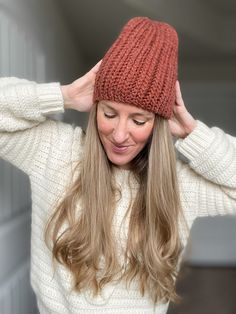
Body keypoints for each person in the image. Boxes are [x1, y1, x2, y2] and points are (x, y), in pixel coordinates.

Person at [0, 16, 236, 314]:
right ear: (95, 107)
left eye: (139, 120)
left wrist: (193, 133)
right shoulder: (55, 151)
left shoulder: (179, 186)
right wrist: (65, 96)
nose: (120, 134)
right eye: (109, 114)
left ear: (157, 125)